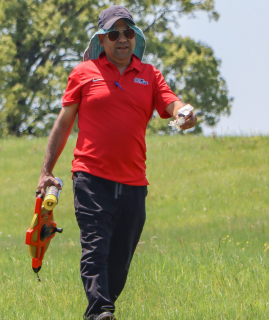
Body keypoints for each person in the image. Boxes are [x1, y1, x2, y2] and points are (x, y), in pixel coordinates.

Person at [36, 5, 197, 320]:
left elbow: (171, 102)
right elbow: (64, 122)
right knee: (95, 248)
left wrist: (184, 113)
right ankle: (100, 311)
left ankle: (100, 309)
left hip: (134, 185)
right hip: (91, 178)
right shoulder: (84, 73)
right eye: (114, 34)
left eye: (128, 33)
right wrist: (46, 170)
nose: (122, 39)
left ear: (134, 36)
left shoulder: (149, 75)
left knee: (119, 262)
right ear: (102, 39)